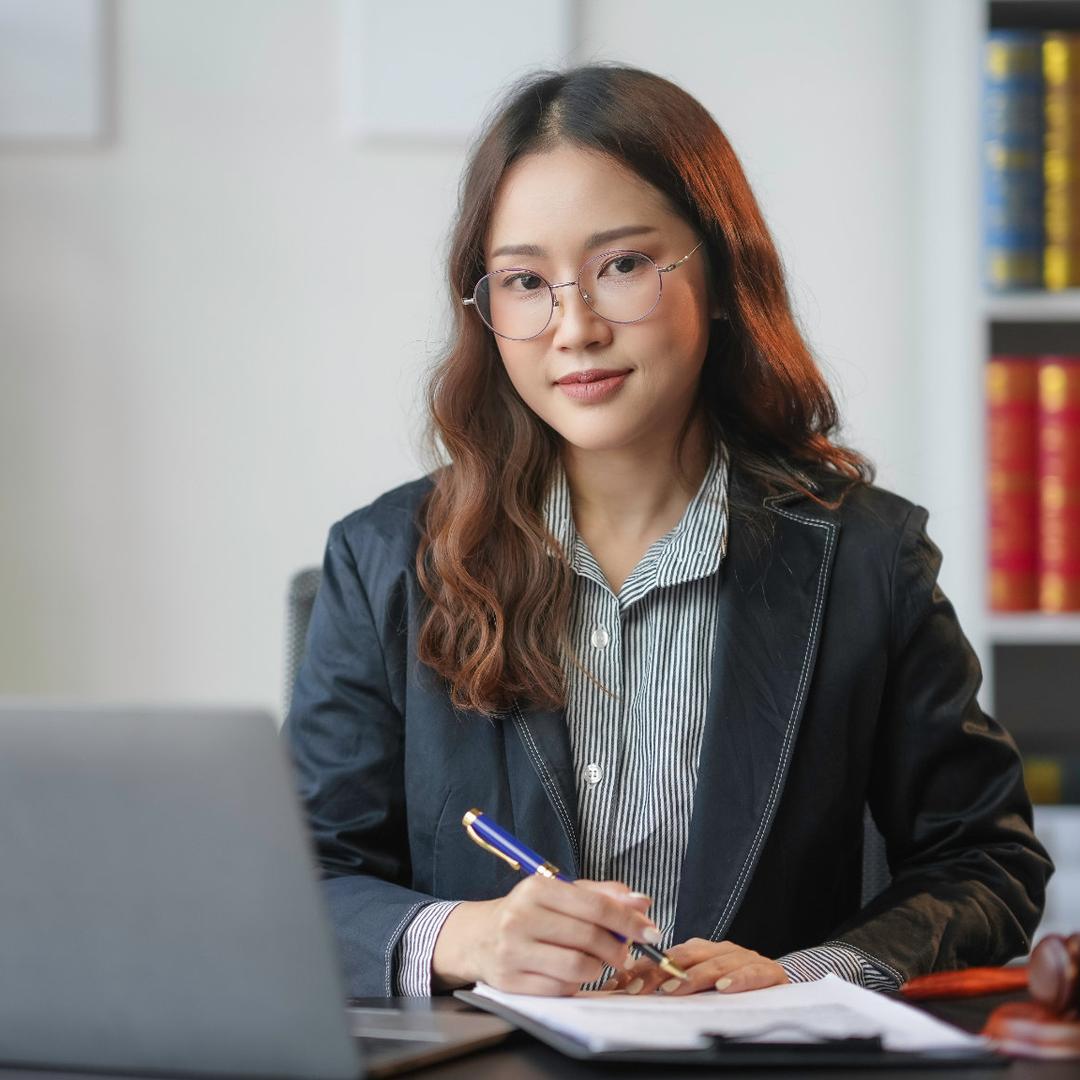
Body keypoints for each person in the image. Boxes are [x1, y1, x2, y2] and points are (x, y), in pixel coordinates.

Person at [282, 63, 1052, 1000]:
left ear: (722, 276)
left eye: (622, 266)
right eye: (525, 281)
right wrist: (469, 938)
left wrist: (806, 976)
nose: (575, 327)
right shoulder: (383, 563)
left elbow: (985, 863)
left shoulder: (865, 560)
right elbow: (301, 884)